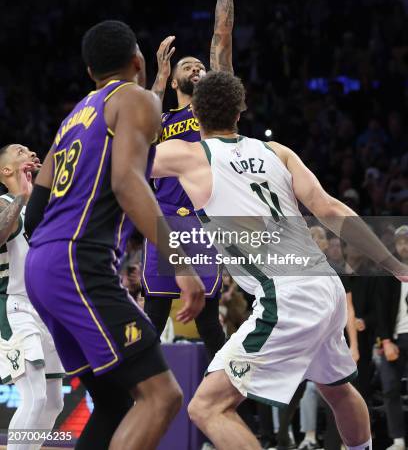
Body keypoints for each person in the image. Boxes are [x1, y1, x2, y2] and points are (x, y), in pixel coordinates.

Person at [151, 70, 408, 450]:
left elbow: (120, 163)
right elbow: (330, 208)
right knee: (337, 389)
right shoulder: (277, 151)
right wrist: (395, 264)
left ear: (195, 116)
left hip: (285, 295)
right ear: (241, 110)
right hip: (326, 286)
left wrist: (153, 95)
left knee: (206, 408)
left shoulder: (189, 154)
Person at [23, 20, 205, 450]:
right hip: (77, 260)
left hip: (42, 266)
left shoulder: (73, 116)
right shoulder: (135, 98)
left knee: (115, 402)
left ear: (90, 72)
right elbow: (127, 183)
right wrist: (181, 263)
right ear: (137, 61)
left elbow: (35, 210)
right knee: (162, 396)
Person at [144, 0, 248, 360]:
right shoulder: (162, 113)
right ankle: (133, 397)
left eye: (197, 65)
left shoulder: (208, 111)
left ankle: (224, 402)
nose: (195, 66)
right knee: (151, 316)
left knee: (206, 319)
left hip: (198, 220)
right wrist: (161, 78)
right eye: (186, 65)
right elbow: (141, 130)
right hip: (159, 222)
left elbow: (220, 39)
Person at [0, 144, 64, 450]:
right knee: (35, 396)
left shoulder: (43, 206)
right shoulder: (4, 202)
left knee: (54, 403)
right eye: (19, 150)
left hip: (46, 309)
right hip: (13, 306)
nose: (27, 152)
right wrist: (24, 194)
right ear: (6, 170)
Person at [376, 225, 408, 450]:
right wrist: (386, 341)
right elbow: (380, 309)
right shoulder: (389, 272)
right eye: (400, 243)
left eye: (407, 241)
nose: (404, 246)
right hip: (395, 339)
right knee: (389, 388)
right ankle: (397, 439)